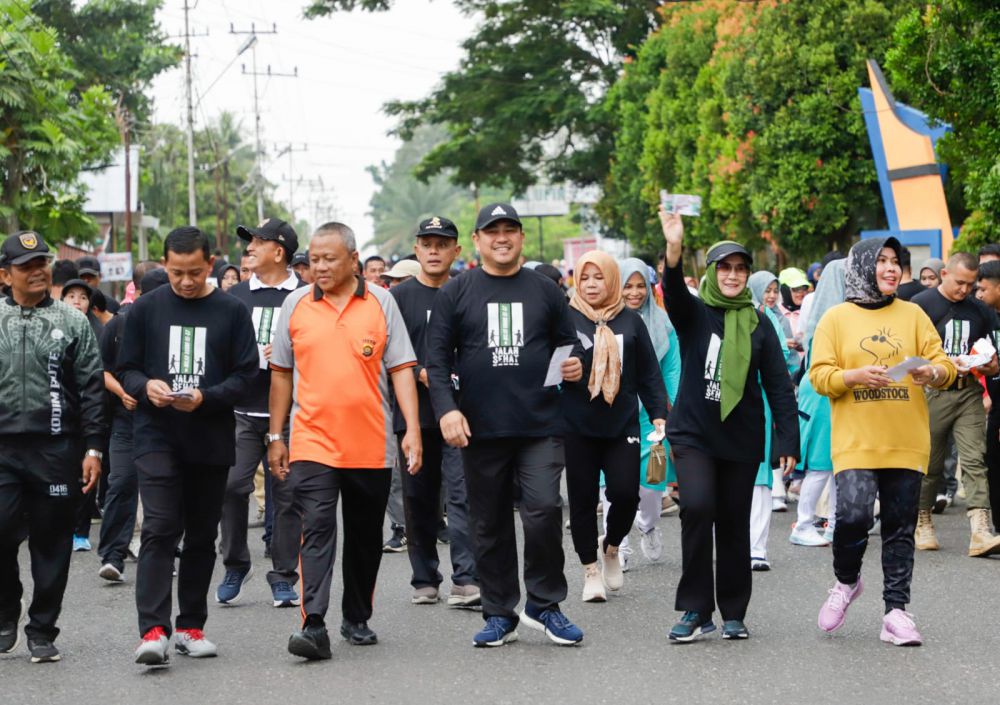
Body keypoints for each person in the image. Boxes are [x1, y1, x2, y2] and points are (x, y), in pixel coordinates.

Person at [425, 202, 585, 648]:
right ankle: (499, 612)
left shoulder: (545, 290)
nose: (502, 237)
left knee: (544, 511)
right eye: (491, 231)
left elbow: (568, 341)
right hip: (480, 428)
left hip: (540, 425)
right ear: (476, 241)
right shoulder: (456, 293)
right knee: (489, 522)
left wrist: (573, 363)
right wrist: (447, 410)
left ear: (520, 238)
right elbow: (436, 362)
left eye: (510, 230)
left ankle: (545, 604)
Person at [268, 222, 422, 661]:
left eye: (329, 259)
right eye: (314, 259)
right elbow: (280, 373)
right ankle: (313, 624)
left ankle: (356, 616)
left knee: (364, 535)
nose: (319, 267)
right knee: (316, 526)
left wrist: (411, 429)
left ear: (353, 260)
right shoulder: (295, 305)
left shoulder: (381, 301)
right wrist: (277, 436)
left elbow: (402, 370)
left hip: (371, 442)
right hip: (312, 440)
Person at [118, 227, 258, 665]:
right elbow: (127, 370)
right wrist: (147, 387)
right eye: (176, 272)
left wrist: (207, 396)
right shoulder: (145, 309)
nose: (185, 281)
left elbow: (246, 375)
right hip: (156, 435)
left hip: (210, 438)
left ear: (211, 264)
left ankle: (190, 627)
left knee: (201, 534)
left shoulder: (232, 312)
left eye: (194, 272)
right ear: (164, 265)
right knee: (159, 526)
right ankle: (153, 630)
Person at [659, 209, 798, 642]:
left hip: (741, 437)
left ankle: (733, 610)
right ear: (713, 273)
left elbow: (777, 384)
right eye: (726, 268)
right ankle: (695, 609)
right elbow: (671, 289)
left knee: (734, 523)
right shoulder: (694, 313)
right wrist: (675, 246)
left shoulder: (759, 323)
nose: (734, 275)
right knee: (698, 508)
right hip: (694, 432)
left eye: (741, 269)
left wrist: (787, 439)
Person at [811, 236, 955, 646]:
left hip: (906, 440)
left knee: (899, 528)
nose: (892, 269)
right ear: (861, 267)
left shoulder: (912, 315)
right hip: (856, 440)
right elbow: (819, 375)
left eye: (896, 262)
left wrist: (934, 373)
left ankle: (896, 612)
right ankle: (845, 582)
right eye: (883, 261)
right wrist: (852, 376)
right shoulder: (836, 318)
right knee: (854, 517)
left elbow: (942, 362)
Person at [0, 231, 106, 663]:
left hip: (57, 449)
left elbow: (93, 388)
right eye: (26, 266)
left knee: (51, 541)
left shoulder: (73, 321)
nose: (39, 270)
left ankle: (42, 628)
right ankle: (6, 610)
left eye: (42, 262)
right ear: (5, 275)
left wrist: (94, 448)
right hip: (2, 450)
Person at [563, 251, 668, 602]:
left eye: (600, 278)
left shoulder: (630, 320)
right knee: (581, 500)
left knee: (625, 493)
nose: (592, 285)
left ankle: (611, 547)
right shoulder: (566, 318)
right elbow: (548, 364)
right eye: (586, 278)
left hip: (622, 421)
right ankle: (590, 570)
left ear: (612, 281)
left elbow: (649, 370)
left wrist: (657, 411)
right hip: (577, 423)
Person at [389, 216, 480, 607]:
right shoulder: (398, 298)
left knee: (462, 494)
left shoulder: (469, 292)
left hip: (462, 414)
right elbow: (387, 353)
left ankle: (466, 576)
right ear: (416, 248)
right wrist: (420, 372)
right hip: (414, 416)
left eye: (442, 244)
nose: (433, 250)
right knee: (418, 498)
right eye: (427, 243)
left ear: (456, 251)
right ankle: (424, 576)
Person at [216, 218, 305, 608]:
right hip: (241, 411)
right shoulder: (234, 298)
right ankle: (236, 562)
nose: (249, 247)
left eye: (257, 241)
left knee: (286, 496)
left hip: (290, 416)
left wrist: (290, 357)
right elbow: (219, 351)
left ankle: (284, 575)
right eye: (249, 241)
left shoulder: (305, 295)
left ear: (279, 251)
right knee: (233, 486)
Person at [911, 252, 1000, 556]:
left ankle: (980, 531)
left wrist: (991, 365)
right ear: (945, 272)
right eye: (960, 282)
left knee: (975, 460)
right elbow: (907, 351)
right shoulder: (920, 305)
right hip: (933, 392)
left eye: (971, 284)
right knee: (931, 464)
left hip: (968, 391)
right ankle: (922, 521)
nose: (965, 290)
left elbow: (994, 352)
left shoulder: (981, 309)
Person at [602, 258, 681, 569]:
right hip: (610, 415)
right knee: (610, 485)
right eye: (627, 286)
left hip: (653, 416)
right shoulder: (603, 319)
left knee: (653, 485)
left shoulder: (662, 322)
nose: (635, 293)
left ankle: (647, 525)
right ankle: (614, 543)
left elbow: (672, 367)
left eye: (640, 286)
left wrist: (670, 404)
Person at [96, 264, 167, 583]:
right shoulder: (119, 325)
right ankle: (113, 555)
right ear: (137, 294)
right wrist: (124, 392)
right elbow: (103, 370)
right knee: (122, 482)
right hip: (125, 422)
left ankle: (167, 552)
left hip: (165, 422)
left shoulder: (174, 325)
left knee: (165, 490)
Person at [790, 258, 849, 549]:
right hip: (823, 396)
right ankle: (803, 524)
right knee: (821, 465)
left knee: (838, 464)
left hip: (830, 395)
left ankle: (832, 524)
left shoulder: (830, 315)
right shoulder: (831, 319)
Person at [747, 270, 800, 569]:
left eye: (774, 290)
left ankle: (757, 547)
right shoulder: (734, 317)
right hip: (732, 405)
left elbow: (778, 369)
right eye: (765, 290)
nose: (771, 295)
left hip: (764, 401)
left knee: (761, 476)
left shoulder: (770, 320)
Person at [976, 260, 1000, 532]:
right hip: (995, 405)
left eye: (983, 289)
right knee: (993, 465)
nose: (978, 294)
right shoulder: (983, 317)